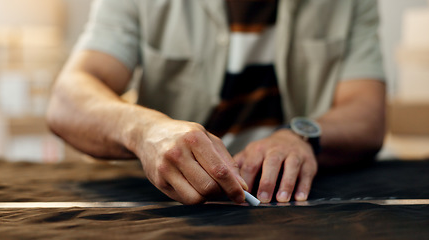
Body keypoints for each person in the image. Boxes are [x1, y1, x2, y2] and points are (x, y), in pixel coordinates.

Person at [47, 0, 386, 205]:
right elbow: (68, 99)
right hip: (168, 211)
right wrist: (145, 131)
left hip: (303, 206)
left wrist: (299, 136)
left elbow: (367, 115)